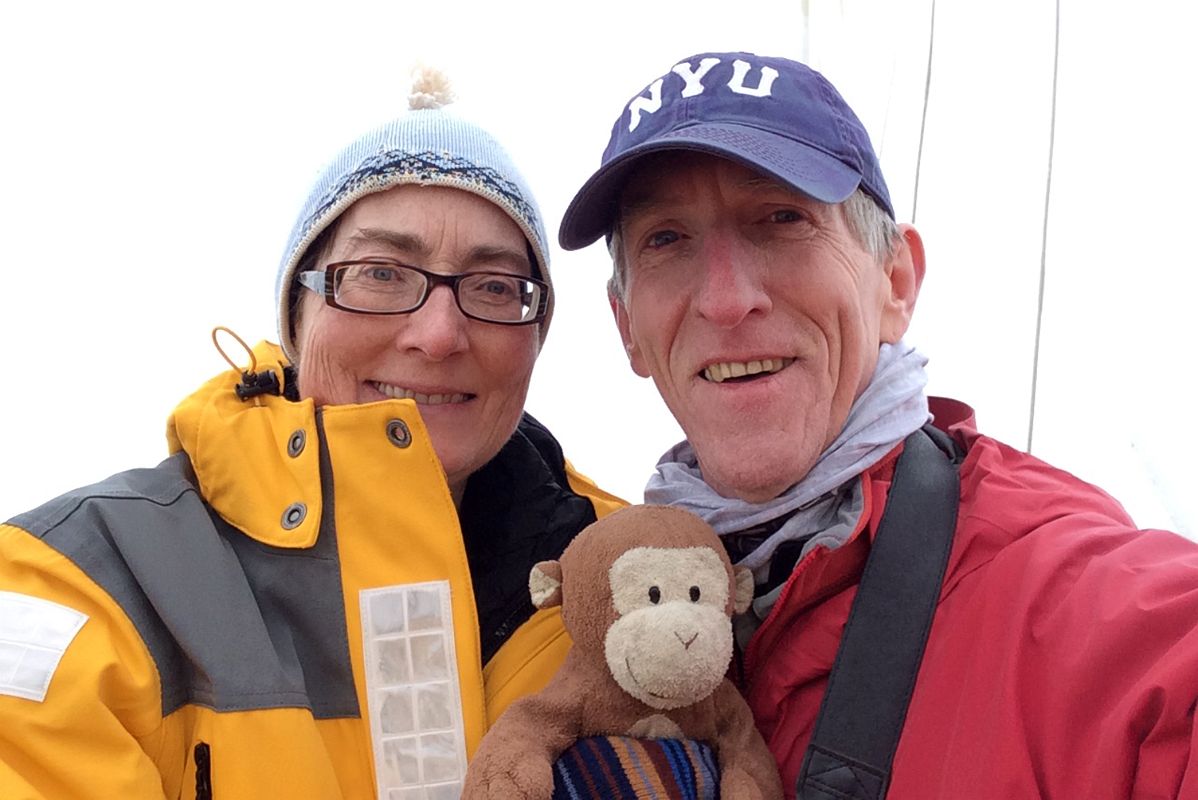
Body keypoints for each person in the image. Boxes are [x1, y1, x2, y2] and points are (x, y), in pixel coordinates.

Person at [559, 51, 1198, 799]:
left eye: (781, 218)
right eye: (666, 239)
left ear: (896, 282)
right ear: (627, 327)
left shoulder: (1094, 614)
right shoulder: (595, 611)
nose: (727, 300)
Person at [0, 68, 623, 799]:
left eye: (493, 287)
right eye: (382, 274)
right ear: (297, 316)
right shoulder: (83, 580)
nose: (439, 332)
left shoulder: (624, 578)